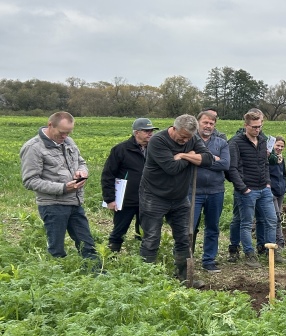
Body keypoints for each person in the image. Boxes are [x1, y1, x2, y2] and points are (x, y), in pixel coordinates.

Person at [139, 114, 213, 285]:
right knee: (151, 238)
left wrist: (184, 156)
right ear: (174, 128)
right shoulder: (158, 141)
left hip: (179, 198)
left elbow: (208, 159)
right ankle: (144, 278)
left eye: (188, 138)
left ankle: (185, 277)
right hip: (154, 196)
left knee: (184, 237)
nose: (185, 140)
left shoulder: (192, 139)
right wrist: (193, 157)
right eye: (182, 136)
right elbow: (172, 168)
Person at [20, 112, 98, 261]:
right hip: (52, 205)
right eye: (62, 132)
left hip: (75, 202)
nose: (65, 136)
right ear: (50, 125)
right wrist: (62, 188)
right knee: (57, 248)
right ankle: (57, 278)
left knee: (87, 244)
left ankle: (96, 274)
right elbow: (30, 180)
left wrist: (82, 171)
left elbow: (81, 162)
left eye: (69, 132)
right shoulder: (33, 148)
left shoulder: (69, 142)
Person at [229, 110, 282, 268]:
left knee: (272, 220)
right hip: (247, 190)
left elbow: (265, 164)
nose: (257, 130)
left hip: (264, 189)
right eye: (254, 127)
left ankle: (271, 252)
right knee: (246, 223)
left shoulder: (263, 141)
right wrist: (243, 188)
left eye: (259, 126)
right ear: (246, 125)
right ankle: (249, 254)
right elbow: (232, 168)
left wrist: (267, 182)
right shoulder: (236, 142)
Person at [100, 117, 157, 252]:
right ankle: (112, 255)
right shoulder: (121, 150)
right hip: (126, 199)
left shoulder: (155, 150)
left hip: (148, 199)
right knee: (119, 230)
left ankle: (143, 259)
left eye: (151, 131)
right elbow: (108, 175)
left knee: (145, 232)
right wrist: (110, 199)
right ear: (136, 133)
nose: (150, 133)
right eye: (146, 131)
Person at [190, 110, 230, 272]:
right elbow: (185, 159)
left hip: (216, 191)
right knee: (189, 227)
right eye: (205, 122)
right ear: (198, 123)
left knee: (212, 227)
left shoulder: (221, 143)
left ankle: (209, 260)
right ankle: (186, 259)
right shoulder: (190, 141)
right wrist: (214, 158)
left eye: (211, 123)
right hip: (192, 191)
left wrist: (199, 159)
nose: (208, 126)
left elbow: (225, 164)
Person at [269, 136, 286, 250]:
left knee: (278, 216)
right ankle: (279, 242)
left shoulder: (281, 158)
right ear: (273, 146)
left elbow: (284, 174)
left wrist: (284, 186)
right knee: (276, 216)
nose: (279, 148)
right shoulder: (269, 158)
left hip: (280, 191)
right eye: (278, 145)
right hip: (271, 191)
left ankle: (279, 242)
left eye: (282, 146)